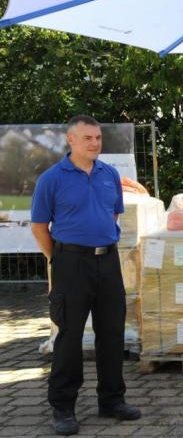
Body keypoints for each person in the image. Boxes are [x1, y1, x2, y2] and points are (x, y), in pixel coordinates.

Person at [30, 115, 141, 436]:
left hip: (108, 262)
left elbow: (115, 213)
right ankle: (63, 406)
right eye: (88, 138)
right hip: (70, 264)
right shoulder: (52, 179)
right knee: (69, 336)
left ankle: (112, 400)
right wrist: (59, 259)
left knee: (112, 334)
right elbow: (39, 226)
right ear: (71, 140)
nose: (95, 143)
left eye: (98, 138)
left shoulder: (109, 175)